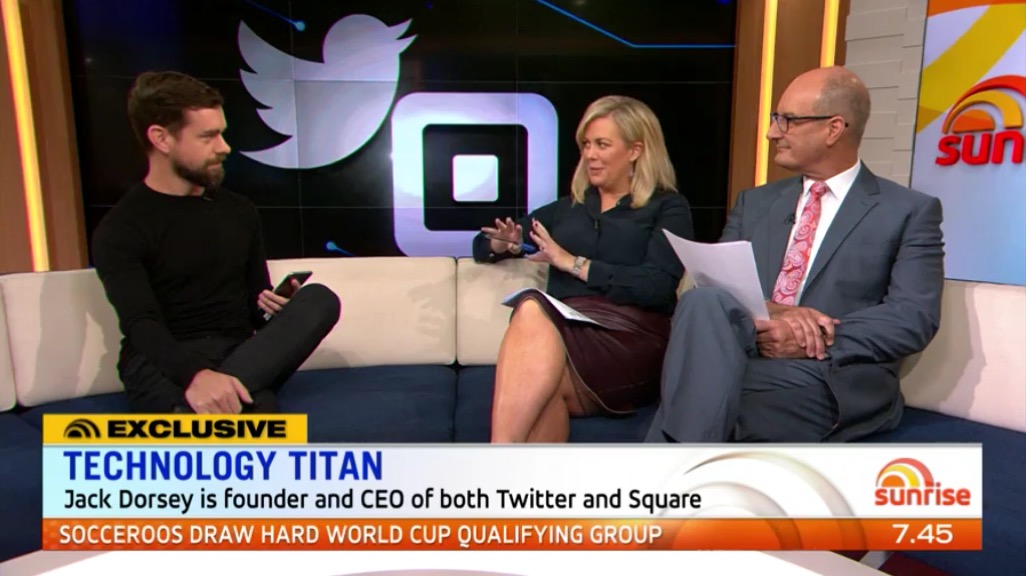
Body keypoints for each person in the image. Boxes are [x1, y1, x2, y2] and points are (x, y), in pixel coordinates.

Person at [646, 66, 945, 443]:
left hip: (827, 372)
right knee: (702, 301)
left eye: (787, 120)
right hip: (744, 351)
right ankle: (685, 467)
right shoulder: (754, 203)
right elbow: (716, 288)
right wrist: (777, 312)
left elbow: (912, 318)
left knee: (697, 385)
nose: (773, 133)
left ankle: (666, 470)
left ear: (833, 129)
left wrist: (810, 335)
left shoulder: (907, 211)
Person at [92, 71, 340, 414]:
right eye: (208, 137)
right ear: (162, 139)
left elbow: (253, 311)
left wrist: (275, 308)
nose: (224, 148)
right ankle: (211, 405)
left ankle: (198, 414)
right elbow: (141, 324)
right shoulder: (121, 228)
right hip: (164, 362)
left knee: (319, 300)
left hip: (238, 352)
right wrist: (195, 376)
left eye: (221, 133)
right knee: (259, 415)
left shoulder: (239, 211)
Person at [473, 95, 695, 443]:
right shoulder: (567, 210)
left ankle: (495, 456)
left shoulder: (668, 207)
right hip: (566, 335)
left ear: (635, 150)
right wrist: (504, 244)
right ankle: (511, 470)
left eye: (602, 145)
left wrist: (574, 264)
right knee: (541, 388)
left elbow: (657, 287)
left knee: (531, 309)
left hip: (630, 337)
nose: (590, 154)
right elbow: (482, 246)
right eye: (586, 144)